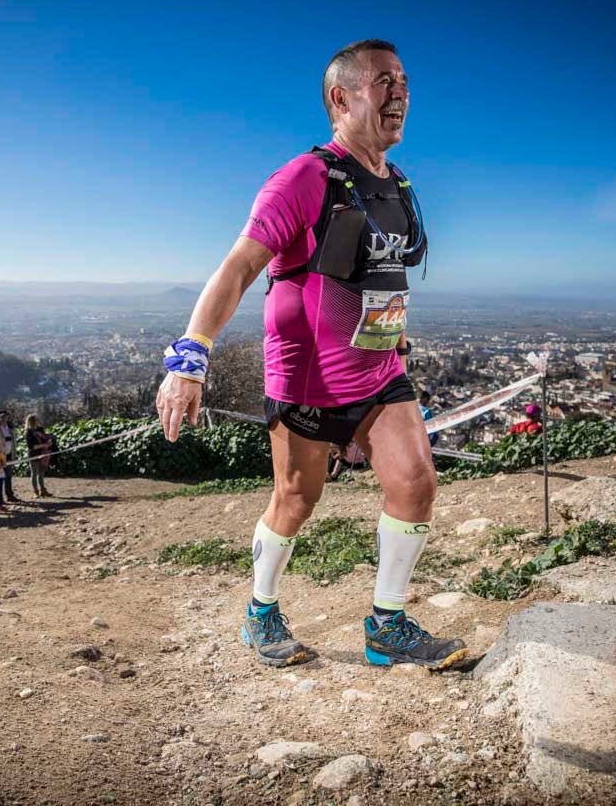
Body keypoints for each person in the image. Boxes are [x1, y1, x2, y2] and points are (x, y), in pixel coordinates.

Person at [156, 39, 467, 671]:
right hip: (306, 379)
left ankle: (387, 626)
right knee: (297, 499)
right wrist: (189, 359)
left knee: (415, 484)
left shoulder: (399, 184)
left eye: (404, 80)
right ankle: (260, 610)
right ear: (341, 97)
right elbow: (240, 266)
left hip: (380, 372)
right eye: (384, 81)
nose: (401, 92)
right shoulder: (305, 177)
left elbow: (376, 276)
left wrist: (392, 336)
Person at [24, 414, 53, 498]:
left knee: (41, 473)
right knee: (34, 473)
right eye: (36, 420)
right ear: (32, 422)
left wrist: (49, 442)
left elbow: (45, 438)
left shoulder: (41, 429)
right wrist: (44, 445)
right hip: (33, 455)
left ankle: (43, 490)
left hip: (43, 454)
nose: (38, 421)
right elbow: (32, 446)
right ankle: (35, 491)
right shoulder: (28, 432)